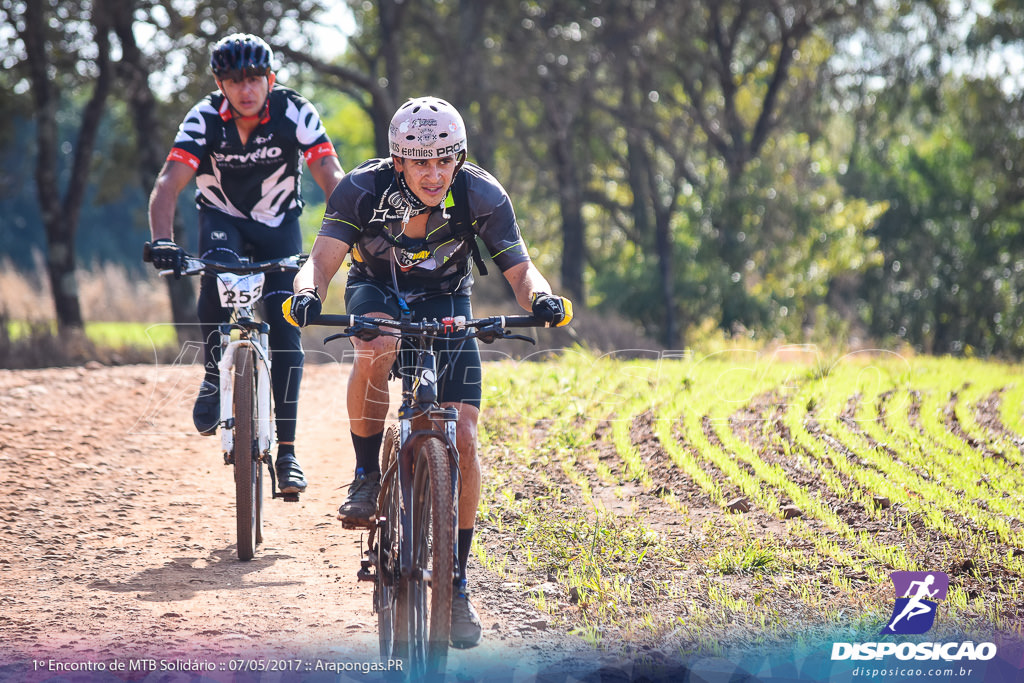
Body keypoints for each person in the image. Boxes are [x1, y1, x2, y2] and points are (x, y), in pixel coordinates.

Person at [286, 96, 571, 648]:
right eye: (421, 162)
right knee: (378, 346)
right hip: (378, 288)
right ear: (399, 162)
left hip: (448, 298)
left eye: (445, 160)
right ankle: (368, 474)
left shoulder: (482, 193)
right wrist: (305, 294)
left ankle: (458, 584)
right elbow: (320, 261)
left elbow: (520, 268)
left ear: (459, 158)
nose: (435, 173)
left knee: (463, 433)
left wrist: (541, 298)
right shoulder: (362, 190)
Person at [147, 33, 344, 495]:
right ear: (220, 83)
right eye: (234, 80)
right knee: (215, 276)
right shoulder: (202, 118)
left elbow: (330, 174)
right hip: (222, 221)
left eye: (254, 78)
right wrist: (161, 240)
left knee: (287, 323)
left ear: (270, 78)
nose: (246, 88)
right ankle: (215, 375)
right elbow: (168, 184)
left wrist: (351, 229)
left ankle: (289, 452)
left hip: (279, 225)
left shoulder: (295, 111)